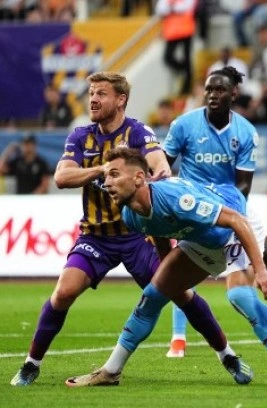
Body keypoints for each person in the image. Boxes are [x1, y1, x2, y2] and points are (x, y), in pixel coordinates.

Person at [9, 72, 243, 387]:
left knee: (181, 294)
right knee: (63, 292)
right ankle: (31, 364)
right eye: (91, 93)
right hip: (96, 236)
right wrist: (102, 169)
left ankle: (227, 355)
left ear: (120, 100)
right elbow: (62, 177)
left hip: (138, 236)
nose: (93, 99)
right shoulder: (80, 136)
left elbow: (159, 164)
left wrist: (159, 178)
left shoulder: (138, 132)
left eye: (101, 94)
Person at [65, 147, 267, 391]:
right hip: (201, 237)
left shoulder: (176, 198)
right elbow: (158, 231)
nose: (107, 182)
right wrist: (169, 278)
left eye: (114, 174)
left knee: (240, 295)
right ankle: (110, 371)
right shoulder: (131, 216)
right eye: (106, 176)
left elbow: (235, 220)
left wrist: (261, 270)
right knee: (151, 297)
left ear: (138, 178)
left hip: (235, 224)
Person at [161, 66, 267, 369]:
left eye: (220, 89)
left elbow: (244, 185)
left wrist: (225, 215)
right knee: (180, 269)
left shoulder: (246, 131)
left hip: (232, 206)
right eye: (209, 89)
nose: (212, 95)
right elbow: (162, 168)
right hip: (192, 208)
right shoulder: (183, 125)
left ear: (234, 93)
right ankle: (178, 338)